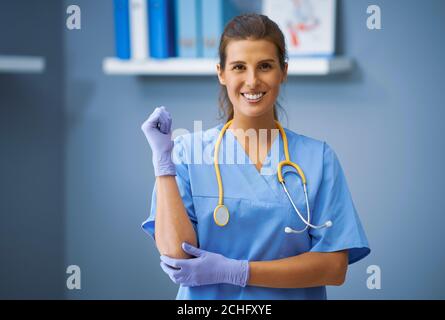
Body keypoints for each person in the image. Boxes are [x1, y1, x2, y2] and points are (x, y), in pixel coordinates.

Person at [141, 14, 370, 300]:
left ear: (283, 71)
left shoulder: (318, 158)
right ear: (221, 73)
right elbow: (177, 254)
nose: (252, 81)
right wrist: (163, 164)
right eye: (239, 67)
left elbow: (334, 267)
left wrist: (239, 272)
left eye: (265, 66)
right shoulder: (187, 153)